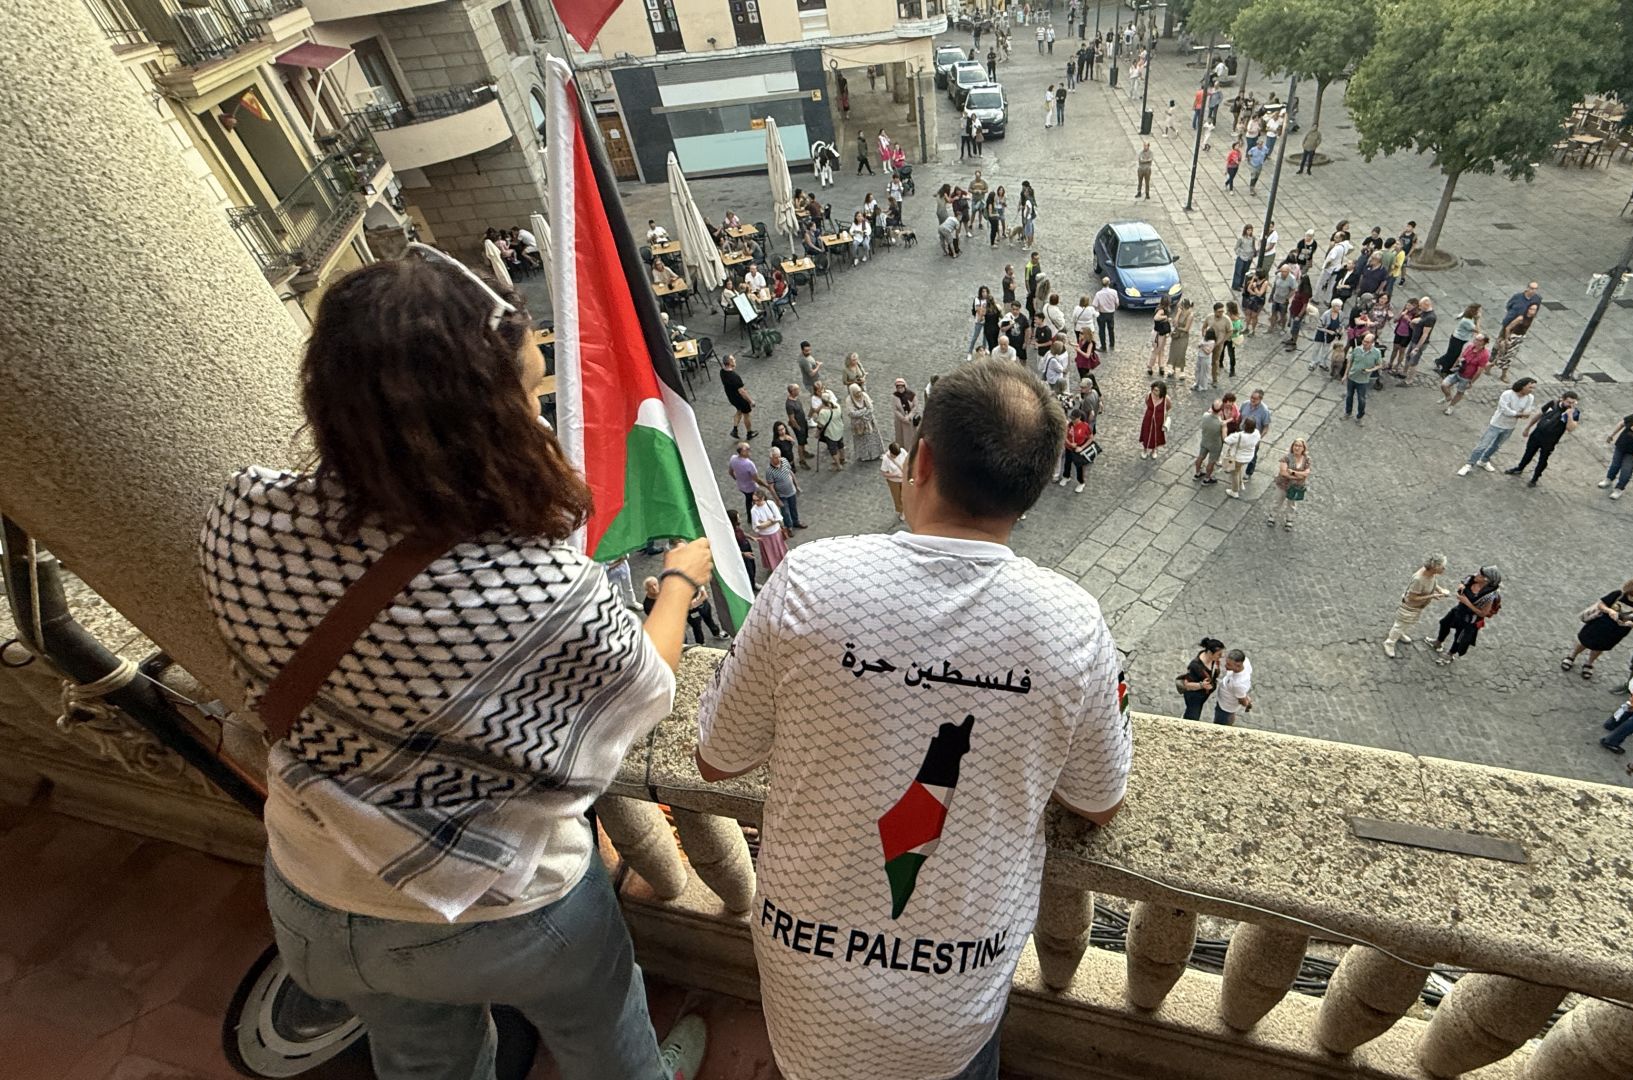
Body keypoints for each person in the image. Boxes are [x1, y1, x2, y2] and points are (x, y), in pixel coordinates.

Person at [198, 252, 711, 1080]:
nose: (540, 416)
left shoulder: (242, 516)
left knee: (422, 1066)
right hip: (505, 917)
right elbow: (645, 683)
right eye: (528, 394)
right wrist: (679, 584)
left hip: (312, 895)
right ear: (482, 420)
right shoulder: (539, 592)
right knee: (611, 1053)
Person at [694, 361, 1131, 1080]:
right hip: (953, 999)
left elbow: (718, 756)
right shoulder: (1071, 625)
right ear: (1037, 487)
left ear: (919, 461)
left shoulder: (808, 580)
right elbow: (1098, 799)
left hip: (804, 983)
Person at [1565, 579, 1633, 680]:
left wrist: (1631, 624)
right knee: (1584, 642)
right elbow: (1601, 604)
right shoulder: (1618, 595)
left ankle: (1589, 663)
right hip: (1599, 624)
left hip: (1616, 631)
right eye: (1632, 594)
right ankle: (1572, 656)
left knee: (1599, 647)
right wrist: (1609, 611)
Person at [1457, 378, 1539, 475]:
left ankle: (1484, 460)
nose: (1531, 390)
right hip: (1497, 424)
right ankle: (1469, 464)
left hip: (1510, 426)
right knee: (1482, 445)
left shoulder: (1530, 398)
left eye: (1533, 388)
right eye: (1530, 387)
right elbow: (1505, 410)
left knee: (1496, 446)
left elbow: (1527, 412)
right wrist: (1518, 414)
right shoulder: (1507, 394)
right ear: (1523, 386)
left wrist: (1519, 413)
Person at [1428, 566, 1502, 667]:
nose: (1476, 574)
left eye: (1480, 574)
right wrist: (1461, 586)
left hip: (1469, 620)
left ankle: (1450, 655)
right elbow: (1463, 581)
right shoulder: (1472, 579)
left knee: (1459, 638)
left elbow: (1482, 613)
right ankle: (1438, 643)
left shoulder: (1489, 596)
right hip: (1458, 610)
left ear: (1486, 579)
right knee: (1444, 623)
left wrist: (1468, 603)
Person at [1505, 391, 1579, 486]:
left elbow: (1570, 428)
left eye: (1573, 403)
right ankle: (1519, 468)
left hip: (1550, 440)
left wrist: (1569, 415)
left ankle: (1535, 478)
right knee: (1528, 453)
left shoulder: (1574, 412)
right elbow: (1539, 414)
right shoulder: (1553, 403)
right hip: (1537, 434)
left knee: (1543, 459)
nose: (1570, 405)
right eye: (1568, 402)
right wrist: (1528, 427)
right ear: (1562, 399)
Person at [1383, 554, 1450, 659]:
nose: (1444, 569)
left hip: (1417, 607)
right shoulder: (1419, 579)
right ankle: (1389, 643)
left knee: (1406, 623)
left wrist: (1439, 589)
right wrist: (1432, 596)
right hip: (1409, 607)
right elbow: (1412, 597)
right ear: (1434, 568)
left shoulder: (1431, 574)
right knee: (1399, 625)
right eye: (1442, 567)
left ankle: (1399, 634)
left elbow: (1432, 583)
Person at [1437, 333, 1491, 415]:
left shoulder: (1485, 355)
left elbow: (1479, 371)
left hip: (1467, 377)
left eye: (1477, 339)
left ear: (1483, 342)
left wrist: (1471, 382)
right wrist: (1454, 365)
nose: (1474, 340)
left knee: (1460, 392)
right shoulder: (1470, 346)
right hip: (1458, 371)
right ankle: (1448, 396)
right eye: (1475, 338)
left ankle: (1451, 406)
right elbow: (1461, 356)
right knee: (1444, 385)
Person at [1177, 638, 1224, 721]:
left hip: (1204, 694)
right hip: (1194, 696)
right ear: (1210, 653)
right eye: (1219, 654)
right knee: (1192, 718)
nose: (1222, 656)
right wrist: (1202, 685)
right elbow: (1186, 684)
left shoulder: (1214, 659)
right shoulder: (1195, 666)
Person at [1344, 332, 1383, 425]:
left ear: (1372, 343)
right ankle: (1348, 412)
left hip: (1363, 380)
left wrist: (1370, 370)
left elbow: (1379, 365)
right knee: (1349, 396)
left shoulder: (1376, 353)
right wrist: (1345, 375)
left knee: (1361, 399)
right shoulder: (1357, 349)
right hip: (1352, 377)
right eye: (1364, 341)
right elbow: (1350, 362)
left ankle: (1359, 416)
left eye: (1367, 342)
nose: (1365, 343)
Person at [1434, 303, 1482, 375]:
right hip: (1458, 339)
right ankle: (1444, 369)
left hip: (1459, 338)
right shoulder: (1467, 321)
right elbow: (1477, 330)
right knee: (1453, 355)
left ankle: (1440, 361)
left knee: (1452, 353)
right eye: (1479, 311)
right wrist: (1478, 320)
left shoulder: (1468, 316)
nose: (1480, 313)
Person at [846, 382, 885, 462]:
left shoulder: (864, 395)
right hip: (858, 424)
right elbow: (851, 413)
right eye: (856, 393)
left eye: (859, 392)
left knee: (873, 437)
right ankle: (865, 456)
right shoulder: (849, 400)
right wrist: (864, 411)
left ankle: (876, 454)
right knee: (861, 440)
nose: (859, 394)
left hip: (869, 420)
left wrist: (862, 413)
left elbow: (870, 408)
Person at [1213, 649, 1254, 726]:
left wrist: (1247, 702)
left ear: (1238, 665)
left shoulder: (1238, 684)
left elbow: (1243, 701)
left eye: (1229, 664)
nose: (1225, 665)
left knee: (1221, 724)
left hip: (1226, 707)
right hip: (1225, 700)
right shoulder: (1245, 661)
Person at [1060, 408, 1095, 493]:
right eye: (1071, 418)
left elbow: (1091, 438)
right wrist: (1069, 443)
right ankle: (1066, 476)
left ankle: (1081, 482)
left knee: (1079, 467)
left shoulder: (1085, 426)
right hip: (1069, 448)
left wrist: (1082, 447)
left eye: (1074, 419)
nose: (1072, 420)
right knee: (1067, 463)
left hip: (1079, 449)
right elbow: (1065, 435)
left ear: (1079, 418)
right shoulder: (1070, 425)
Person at [1191, 399, 1226, 484]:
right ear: (1221, 410)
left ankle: (1197, 473)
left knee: (1200, 457)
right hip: (1215, 445)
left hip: (1205, 441)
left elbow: (1209, 413)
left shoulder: (1205, 415)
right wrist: (1225, 427)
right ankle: (1207, 479)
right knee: (1211, 462)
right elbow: (1224, 438)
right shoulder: (1220, 423)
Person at [721, 354, 755, 440]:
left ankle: (735, 430)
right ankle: (749, 433)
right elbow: (742, 391)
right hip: (740, 399)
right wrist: (751, 401)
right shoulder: (734, 377)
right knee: (746, 415)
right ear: (729, 362)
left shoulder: (722, 372)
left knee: (739, 411)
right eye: (733, 359)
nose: (735, 360)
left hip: (732, 398)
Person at [1139, 380, 1169, 459]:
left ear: (1161, 391)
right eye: (1154, 390)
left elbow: (1169, 407)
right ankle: (1145, 450)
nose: (1154, 392)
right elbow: (1147, 402)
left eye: (1157, 390)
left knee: (1157, 434)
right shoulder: (1149, 395)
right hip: (1148, 418)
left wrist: (1164, 416)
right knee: (1146, 433)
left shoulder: (1166, 398)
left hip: (1159, 420)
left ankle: (1154, 450)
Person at [1093, 277, 1119, 350]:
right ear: (1109, 283)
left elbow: (1095, 305)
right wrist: (1114, 308)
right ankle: (1112, 344)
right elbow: (1117, 303)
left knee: (1101, 330)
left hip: (1102, 313)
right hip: (1111, 313)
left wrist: (1098, 309)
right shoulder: (1114, 292)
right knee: (1111, 329)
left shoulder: (1098, 294)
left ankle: (1103, 346)